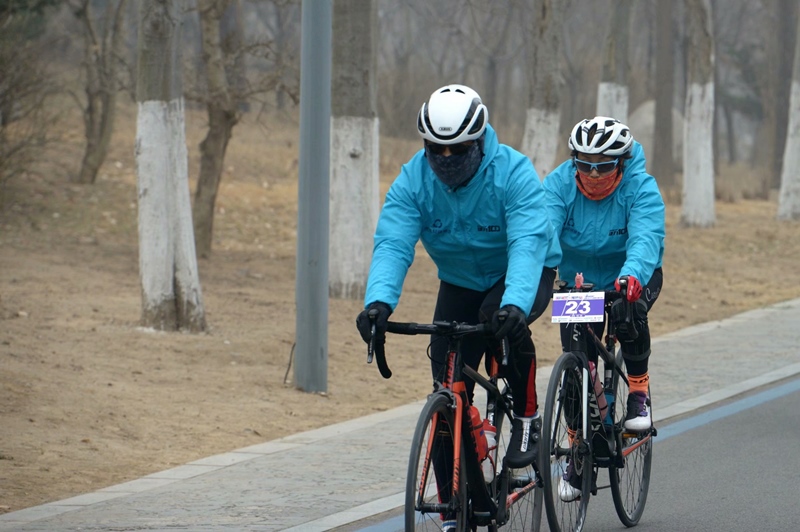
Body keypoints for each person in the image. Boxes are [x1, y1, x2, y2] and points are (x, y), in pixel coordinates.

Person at [355, 84, 561, 480]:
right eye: (437, 150)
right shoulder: (413, 180)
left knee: (500, 321)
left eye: (459, 149)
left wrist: (515, 303)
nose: (446, 159)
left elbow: (526, 244)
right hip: (459, 280)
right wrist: (378, 302)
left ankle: (526, 417)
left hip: (522, 272)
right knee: (445, 385)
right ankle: (452, 511)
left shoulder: (513, 172)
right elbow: (394, 242)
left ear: (480, 141)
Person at [543, 116, 665, 502]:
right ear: (573, 160)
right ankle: (577, 451)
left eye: (604, 165)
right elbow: (541, 230)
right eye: (584, 164)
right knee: (575, 360)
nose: (593, 174)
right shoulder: (559, 185)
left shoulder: (640, 187)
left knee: (630, 314)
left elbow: (646, 236)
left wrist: (631, 275)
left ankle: (639, 392)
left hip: (632, 274)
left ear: (623, 162)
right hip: (579, 281)